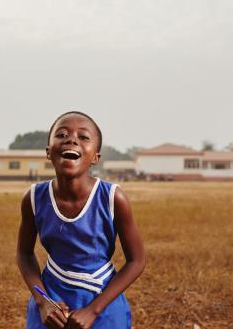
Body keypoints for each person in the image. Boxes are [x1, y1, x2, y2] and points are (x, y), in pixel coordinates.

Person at [16, 111, 145, 329]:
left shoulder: (113, 198)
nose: (71, 138)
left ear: (95, 156)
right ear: (48, 152)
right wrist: (42, 302)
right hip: (51, 298)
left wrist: (93, 310)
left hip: (102, 299)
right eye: (61, 134)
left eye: (83, 137)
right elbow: (24, 253)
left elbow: (137, 261)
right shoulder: (34, 198)